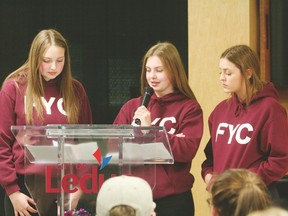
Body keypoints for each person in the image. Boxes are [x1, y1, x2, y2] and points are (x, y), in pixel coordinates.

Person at [0, 29, 92, 216]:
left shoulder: (75, 90)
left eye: (60, 60)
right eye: (47, 60)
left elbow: (86, 141)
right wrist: (13, 191)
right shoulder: (15, 87)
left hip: (68, 187)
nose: (53, 67)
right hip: (26, 190)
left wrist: (82, 185)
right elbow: (2, 142)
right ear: (35, 58)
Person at [113, 41, 203, 216]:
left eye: (159, 70)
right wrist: (167, 140)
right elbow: (113, 147)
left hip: (173, 201)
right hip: (134, 197)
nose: (152, 76)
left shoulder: (189, 108)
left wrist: (150, 131)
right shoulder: (132, 107)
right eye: (148, 70)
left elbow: (187, 150)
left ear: (174, 71)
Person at [201, 45, 288, 201]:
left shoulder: (271, 109)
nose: (222, 77)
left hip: (255, 198)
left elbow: (279, 160)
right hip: (224, 199)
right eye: (220, 72)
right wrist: (209, 176)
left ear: (248, 73)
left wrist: (242, 183)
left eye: (228, 73)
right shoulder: (220, 110)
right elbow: (210, 158)